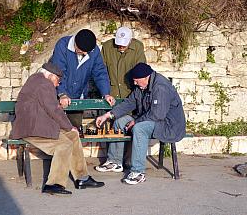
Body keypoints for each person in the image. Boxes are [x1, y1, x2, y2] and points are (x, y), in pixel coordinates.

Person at [10, 62, 105, 195]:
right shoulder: (44, 84)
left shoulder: (37, 79)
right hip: (32, 130)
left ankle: (82, 177)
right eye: (58, 80)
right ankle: (54, 184)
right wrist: (69, 126)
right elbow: (53, 110)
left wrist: (69, 130)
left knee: (73, 137)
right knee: (64, 144)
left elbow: (49, 110)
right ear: (51, 76)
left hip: (39, 126)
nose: (58, 84)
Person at [95, 63, 186, 185]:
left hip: (168, 125)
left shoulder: (160, 87)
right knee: (119, 122)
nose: (135, 84)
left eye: (137, 81)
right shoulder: (142, 86)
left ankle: (138, 173)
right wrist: (107, 115)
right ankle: (115, 162)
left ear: (146, 77)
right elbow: (129, 103)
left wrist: (135, 122)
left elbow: (157, 115)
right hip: (151, 119)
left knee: (139, 128)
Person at [95, 27, 146, 172]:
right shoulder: (106, 47)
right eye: (119, 42)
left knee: (126, 125)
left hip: (130, 94)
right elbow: (101, 71)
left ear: (131, 40)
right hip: (111, 94)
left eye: (124, 43)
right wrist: (105, 92)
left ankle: (124, 160)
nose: (121, 46)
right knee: (113, 127)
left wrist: (136, 93)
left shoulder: (138, 48)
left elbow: (140, 71)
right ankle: (114, 160)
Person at [49, 29, 115, 128]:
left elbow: (100, 72)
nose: (85, 54)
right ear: (75, 43)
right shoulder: (62, 45)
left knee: (74, 129)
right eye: (81, 51)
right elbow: (58, 72)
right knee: (54, 128)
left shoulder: (94, 50)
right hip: (56, 96)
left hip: (77, 96)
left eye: (86, 52)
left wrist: (105, 93)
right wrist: (62, 93)